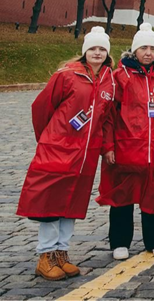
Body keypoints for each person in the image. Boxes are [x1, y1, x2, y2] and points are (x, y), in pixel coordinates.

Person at [17, 27, 116, 280]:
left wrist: (105, 147)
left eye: (102, 49)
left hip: (86, 154)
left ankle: (62, 251)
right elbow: (42, 107)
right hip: (59, 149)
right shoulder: (67, 75)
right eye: (93, 48)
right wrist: (49, 138)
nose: (97, 52)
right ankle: (46, 255)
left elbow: (105, 118)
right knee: (51, 201)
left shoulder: (109, 80)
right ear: (85, 51)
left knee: (72, 202)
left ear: (107, 53)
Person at [97, 23, 154, 260]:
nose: (148, 53)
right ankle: (120, 242)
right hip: (127, 148)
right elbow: (108, 116)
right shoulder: (120, 77)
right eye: (143, 48)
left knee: (153, 197)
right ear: (134, 50)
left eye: (152, 48)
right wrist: (108, 146)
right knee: (123, 198)